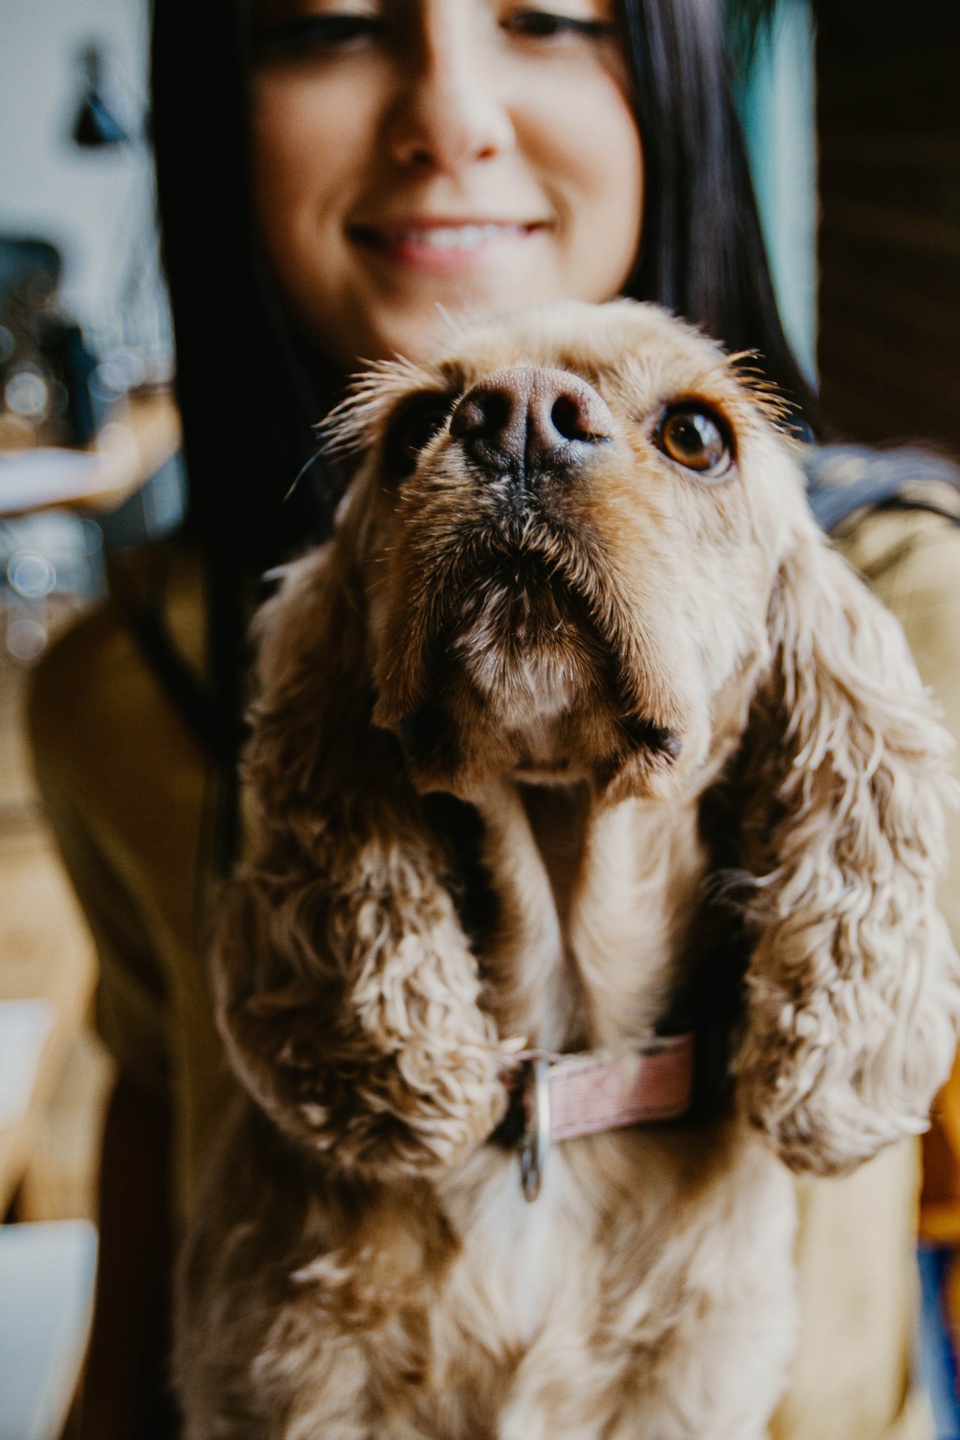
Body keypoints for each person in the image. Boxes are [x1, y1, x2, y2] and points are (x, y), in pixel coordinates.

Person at [26, 1, 960, 1437]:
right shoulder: (109, 691)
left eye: (548, 16)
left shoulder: (921, 601)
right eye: (332, 21)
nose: (449, 114)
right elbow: (142, 1264)